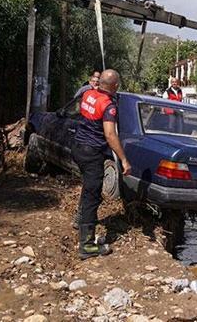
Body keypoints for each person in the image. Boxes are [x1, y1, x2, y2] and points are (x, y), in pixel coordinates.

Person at [73, 69, 132, 260]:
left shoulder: (88, 94)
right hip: (92, 153)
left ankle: (79, 220)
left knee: (88, 187)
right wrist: (123, 159)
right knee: (92, 195)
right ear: (115, 86)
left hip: (78, 148)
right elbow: (110, 134)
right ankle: (87, 245)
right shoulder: (108, 106)